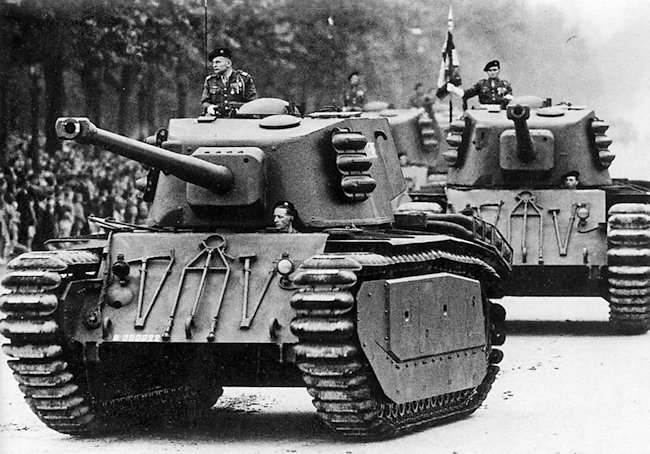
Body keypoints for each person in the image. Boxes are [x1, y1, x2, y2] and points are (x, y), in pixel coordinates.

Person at [201, 47, 258, 117]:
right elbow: (204, 102)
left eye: (218, 62)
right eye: (213, 63)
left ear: (228, 63)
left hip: (239, 121)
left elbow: (253, 102)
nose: (214, 65)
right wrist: (209, 107)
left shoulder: (244, 78)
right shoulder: (210, 81)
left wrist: (239, 108)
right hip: (217, 121)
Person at [447, 60, 513, 108]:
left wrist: (508, 97)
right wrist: (454, 89)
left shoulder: (505, 84)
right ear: (487, 72)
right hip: (484, 111)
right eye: (490, 70)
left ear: (499, 70)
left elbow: (511, 100)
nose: (492, 72)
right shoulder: (481, 84)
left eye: (494, 70)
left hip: (501, 111)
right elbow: (466, 94)